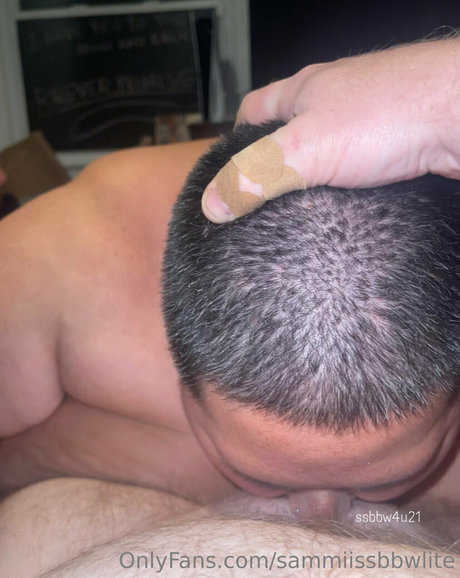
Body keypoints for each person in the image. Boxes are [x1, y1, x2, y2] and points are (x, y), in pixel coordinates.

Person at [0, 38, 458, 576]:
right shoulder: (51, 267)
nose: (320, 519)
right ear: (178, 375)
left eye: (384, 482)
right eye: (262, 478)